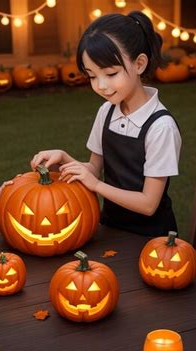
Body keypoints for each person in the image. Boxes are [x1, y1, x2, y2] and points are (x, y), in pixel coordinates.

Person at [31, 11, 181, 237]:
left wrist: (97, 186)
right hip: (109, 229)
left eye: (111, 73)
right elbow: (93, 169)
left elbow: (149, 204)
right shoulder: (107, 112)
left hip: (152, 239)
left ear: (139, 64)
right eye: (92, 76)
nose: (101, 85)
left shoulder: (161, 127)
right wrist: (64, 159)